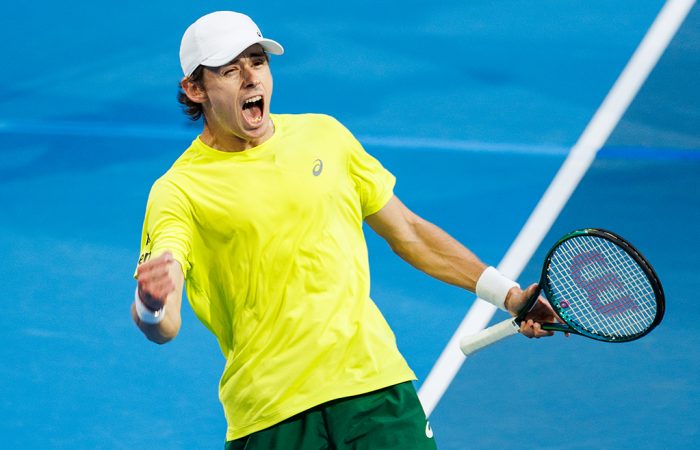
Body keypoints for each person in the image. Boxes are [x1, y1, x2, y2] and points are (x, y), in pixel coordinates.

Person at [132, 10, 557, 449]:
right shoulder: (179, 190)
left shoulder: (325, 136)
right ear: (195, 88)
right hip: (271, 412)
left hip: (372, 385)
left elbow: (408, 232)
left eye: (257, 62)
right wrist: (152, 306)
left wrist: (508, 295)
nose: (250, 79)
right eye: (229, 70)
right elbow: (164, 323)